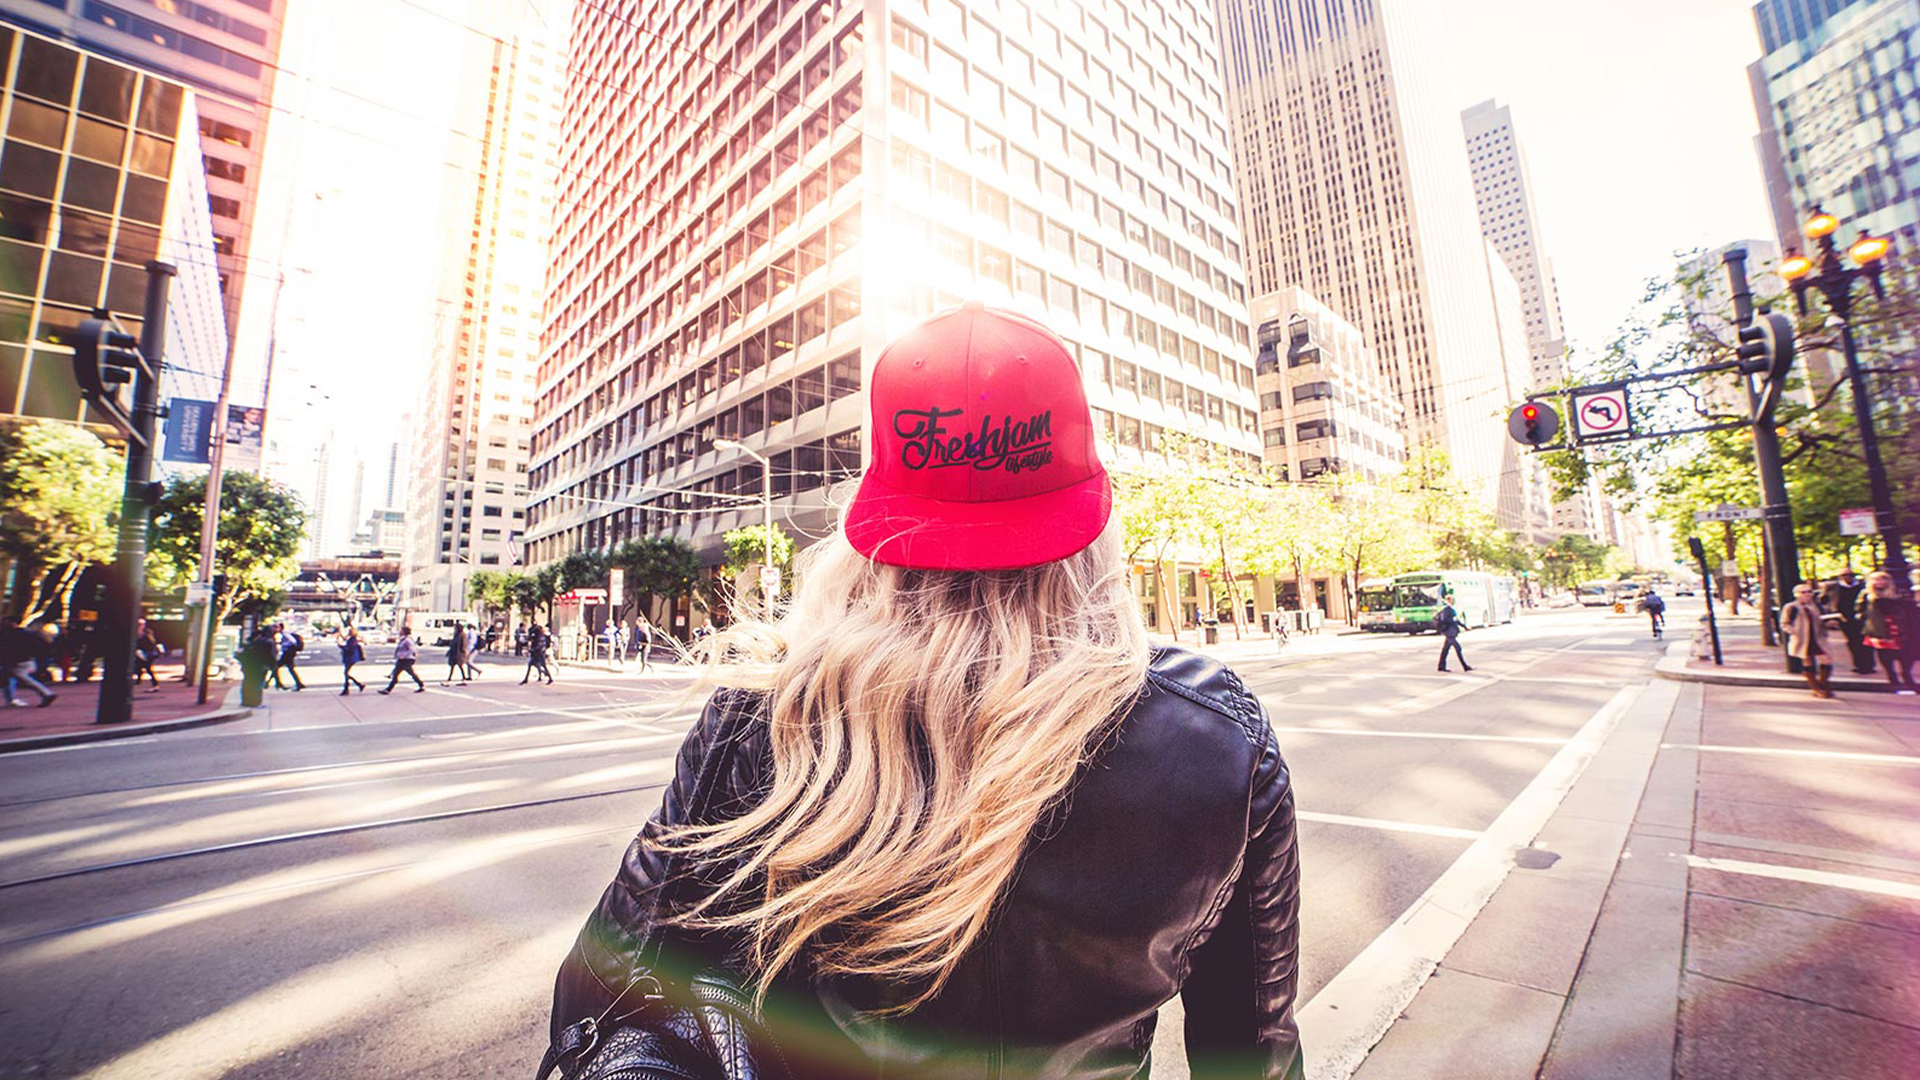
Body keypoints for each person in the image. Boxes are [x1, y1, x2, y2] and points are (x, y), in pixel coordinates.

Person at [542, 305, 1303, 1080]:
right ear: (1092, 529)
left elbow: (600, 998)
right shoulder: (1220, 740)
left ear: (871, 535)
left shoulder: (765, 717)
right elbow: (1253, 1056)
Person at [1858, 570, 1918, 694]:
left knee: (1906, 652)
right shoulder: (1866, 595)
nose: (1879, 582)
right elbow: (1860, 610)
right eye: (1876, 579)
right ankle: (1891, 675)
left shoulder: (1897, 593)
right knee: (1885, 654)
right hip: (1878, 627)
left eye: (1883, 579)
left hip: (1898, 625)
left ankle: (1906, 674)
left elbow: (1908, 608)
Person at [1780, 582, 1837, 698]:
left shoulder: (1817, 606)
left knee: (1826, 660)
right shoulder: (1791, 607)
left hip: (1818, 637)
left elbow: (1822, 620)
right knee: (1808, 661)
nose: (1807, 594)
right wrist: (1793, 632)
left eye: (1809, 592)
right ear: (1796, 594)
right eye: (1803, 592)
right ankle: (1815, 688)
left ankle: (1823, 682)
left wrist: (1829, 623)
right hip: (1802, 639)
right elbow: (1784, 623)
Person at [1822, 570, 1874, 674]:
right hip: (1844, 618)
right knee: (1853, 641)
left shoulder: (1862, 586)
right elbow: (1824, 601)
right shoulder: (1834, 587)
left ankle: (1869, 665)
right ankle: (1859, 664)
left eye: (1850, 575)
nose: (1848, 577)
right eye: (1844, 575)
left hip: (1862, 617)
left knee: (1865, 640)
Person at [2, 622, 56, 707]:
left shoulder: (7, 635)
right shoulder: (28, 633)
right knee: (8, 678)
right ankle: (10, 699)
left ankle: (46, 693)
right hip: (27, 659)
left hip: (14, 661)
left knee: (20, 679)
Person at [378, 624, 426, 694]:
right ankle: (388, 689)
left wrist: (403, 656)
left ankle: (421, 685)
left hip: (406, 660)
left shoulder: (407, 640)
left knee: (408, 673)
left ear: (404, 632)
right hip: (402, 660)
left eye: (401, 631)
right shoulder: (403, 639)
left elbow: (412, 649)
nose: (400, 632)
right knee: (397, 674)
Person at [237, 626, 276, 707]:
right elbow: (271, 655)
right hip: (260, 666)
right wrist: (272, 665)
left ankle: (246, 701)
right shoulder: (268, 641)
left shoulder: (252, 641)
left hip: (248, 665)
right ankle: (255, 702)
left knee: (248, 683)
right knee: (257, 684)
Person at [1435, 592, 1472, 672]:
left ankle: (1441, 666)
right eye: (1452, 599)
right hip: (1449, 632)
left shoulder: (1450, 609)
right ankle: (1465, 666)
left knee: (1445, 650)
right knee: (1458, 648)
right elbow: (1445, 620)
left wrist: (1464, 626)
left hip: (1450, 632)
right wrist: (1452, 622)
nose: (1454, 601)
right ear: (1449, 600)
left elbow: (1456, 620)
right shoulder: (1447, 610)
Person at [271, 623, 305, 691]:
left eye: (276, 627)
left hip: (288, 653)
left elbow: (293, 641)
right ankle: (298, 683)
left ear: (280, 628)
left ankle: (278, 684)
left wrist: (284, 645)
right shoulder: (283, 634)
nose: (274, 629)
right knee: (288, 668)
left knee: (276, 667)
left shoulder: (285, 634)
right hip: (288, 653)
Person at [133, 618, 162, 691]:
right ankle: (139, 680)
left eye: (142, 624)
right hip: (139, 652)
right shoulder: (134, 632)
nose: (140, 626)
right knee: (139, 666)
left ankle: (155, 684)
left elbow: (151, 643)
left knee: (147, 668)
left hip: (148, 653)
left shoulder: (147, 632)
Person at [337, 625, 366, 695]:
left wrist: (341, 646)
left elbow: (349, 649)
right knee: (346, 673)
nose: (348, 632)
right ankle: (348, 688)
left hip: (350, 658)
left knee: (346, 673)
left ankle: (357, 685)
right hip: (350, 658)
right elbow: (346, 641)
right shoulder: (352, 639)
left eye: (350, 631)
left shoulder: (353, 639)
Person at [443, 622, 470, 686]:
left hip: (459, 654)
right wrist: (449, 652)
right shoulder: (456, 635)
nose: (454, 629)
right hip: (454, 653)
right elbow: (452, 644)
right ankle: (449, 678)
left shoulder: (462, 635)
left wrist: (464, 652)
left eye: (455, 628)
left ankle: (463, 678)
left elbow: (463, 644)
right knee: (452, 666)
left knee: (460, 666)